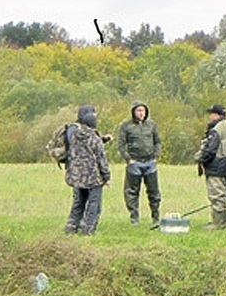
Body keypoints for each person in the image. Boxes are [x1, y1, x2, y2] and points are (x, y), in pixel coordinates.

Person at [64, 106, 111, 235]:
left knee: (78, 203)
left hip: (77, 177)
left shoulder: (74, 136)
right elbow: (101, 160)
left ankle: (71, 227)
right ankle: (89, 229)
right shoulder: (95, 138)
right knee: (94, 204)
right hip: (93, 177)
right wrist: (106, 177)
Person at [118, 101, 162, 225]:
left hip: (150, 162)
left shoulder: (152, 125)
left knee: (154, 192)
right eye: (138, 110)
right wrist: (128, 159)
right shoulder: (126, 126)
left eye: (143, 110)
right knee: (132, 192)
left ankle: (155, 217)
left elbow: (157, 141)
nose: (141, 113)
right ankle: (134, 218)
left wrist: (156, 156)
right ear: (133, 112)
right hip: (134, 163)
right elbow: (121, 144)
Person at [195, 104, 226, 229]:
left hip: (217, 166)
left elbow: (210, 150)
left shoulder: (216, 130)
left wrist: (200, 159)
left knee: (217, 195)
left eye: (212, 114)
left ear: (217, 115)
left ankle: (218, 223)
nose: (210, 117)